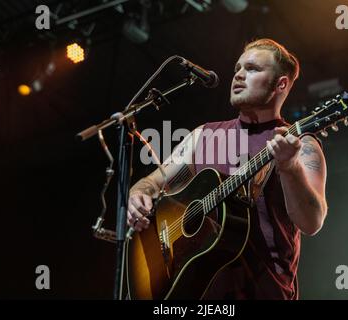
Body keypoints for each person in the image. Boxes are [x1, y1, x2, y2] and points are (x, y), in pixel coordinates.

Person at [126, 38, 327, 299]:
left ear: (281, 84)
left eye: (253, 69)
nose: (239, 75)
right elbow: (153, 183)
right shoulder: (203, 135)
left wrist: (290, 168)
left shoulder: (301, 145)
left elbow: (312, 222)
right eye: (238, 68)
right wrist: (137, 194)